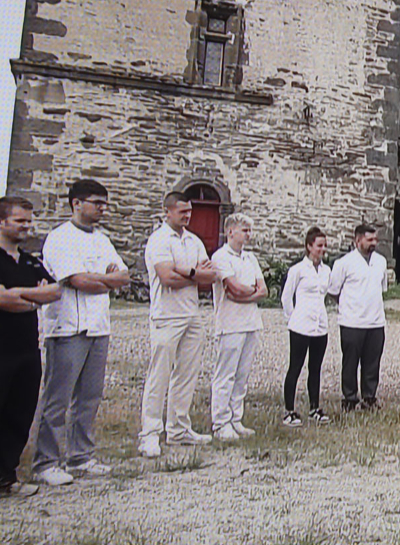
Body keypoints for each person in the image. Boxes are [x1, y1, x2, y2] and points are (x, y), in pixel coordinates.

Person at [0, 196, 62, 511]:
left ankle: (4, 477)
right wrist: (33, 298)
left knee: (17, 416)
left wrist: (17, 293)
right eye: (20, 221)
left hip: (26, 350)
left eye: (29, 221)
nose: (27, 226)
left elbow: (55, 291)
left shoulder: (30, 261)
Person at [33, 179, 129, 487]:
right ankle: (46, 461)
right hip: (67, 326)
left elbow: (123, 276)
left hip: (99, 325)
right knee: (58, 398)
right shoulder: (60, 237)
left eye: (105, 203)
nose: (102, 209)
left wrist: (100, 280)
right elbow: (75, 280)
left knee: (89, 396)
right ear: (76, 203)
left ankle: (80, 456)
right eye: (96, 203)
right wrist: (105, 280)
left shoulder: (102, 240)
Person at [138, 191, 220, 458]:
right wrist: (194, 274)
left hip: (191, 314)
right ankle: (150, 433)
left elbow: (210, 275)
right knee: (159, 375)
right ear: (168, 212)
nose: (187, 216)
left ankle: (178, 429)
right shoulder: (159, 240)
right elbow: (166, 278)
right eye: (182, 211)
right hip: (166, 315)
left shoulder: (194, 240)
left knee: (186, 374)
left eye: (189, 211)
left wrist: (185, 271)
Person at [209, 214, 268, 441]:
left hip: (250, 322)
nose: (248, 235)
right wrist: (250, 291)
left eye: (249, 230)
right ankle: (220, 422)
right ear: (230, 231)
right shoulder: (220, 257)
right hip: (230, 323)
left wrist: (248, 293)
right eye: (244, 230)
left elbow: (263, 290)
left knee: (242, 374)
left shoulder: (250, 258)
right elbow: (233, 287)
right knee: (226, 374)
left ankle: (235, 417)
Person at [328, 224, 391, 411]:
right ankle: (349, 398)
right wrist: (348, 305)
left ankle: (369, 397)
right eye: (369, 240)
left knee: (372, 362)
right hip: (352, 321)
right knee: (350, 362)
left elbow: (382, 288)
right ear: (357, 240)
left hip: (375, 321)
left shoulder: (381, 261)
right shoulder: (344, 263)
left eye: (375, 239)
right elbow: (333, 290)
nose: (374, 243)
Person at [281, 227, 332, 427]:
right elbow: (286, 297)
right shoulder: (298, 270)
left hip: (320, 326)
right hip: (301, 326)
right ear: (309, 246)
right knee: (295, 367)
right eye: (319, 245)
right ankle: (289, 410)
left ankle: (314, 408)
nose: (322, 249)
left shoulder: (326, 271)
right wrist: (293, 318)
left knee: (315, 368)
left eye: (324, 245)